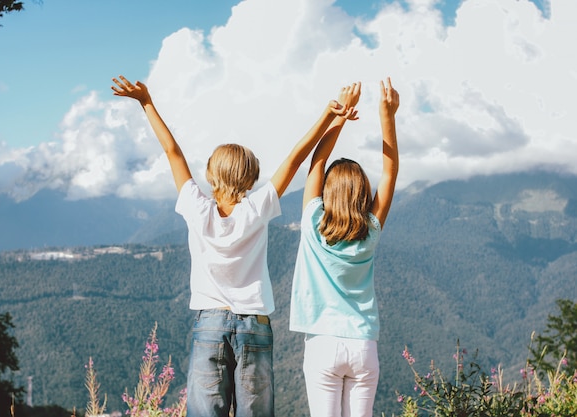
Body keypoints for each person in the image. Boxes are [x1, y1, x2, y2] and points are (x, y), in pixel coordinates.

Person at [111, 75, 359, 417]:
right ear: (252, 177)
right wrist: (330, 117)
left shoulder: (196, 208)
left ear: (211, 175)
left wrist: (146, 102)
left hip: (209, 324)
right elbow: (296, 159)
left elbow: (172, 151)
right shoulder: (258, 209)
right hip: (254, 324)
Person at [289, 78, 400, 417]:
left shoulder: (312, 222)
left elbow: (316, 164)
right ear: (363, 194)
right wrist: (387, 115)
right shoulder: (371, 230)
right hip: (364, 345)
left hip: (322, 343)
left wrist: (339, 116)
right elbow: (390, 171)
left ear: (327, 192)